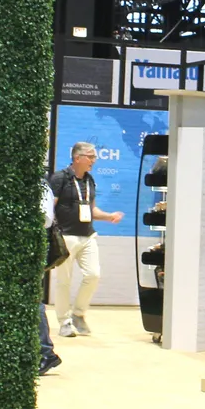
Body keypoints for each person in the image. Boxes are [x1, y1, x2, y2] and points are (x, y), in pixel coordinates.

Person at [49, 141, 123, 336]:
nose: (93, 160)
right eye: (90, 156)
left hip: (88, 236)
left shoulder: (89, 180)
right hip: (65, 236)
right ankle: (64, 322)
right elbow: (50, 208)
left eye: (94, 156)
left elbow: (90, 210)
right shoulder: (59, 178)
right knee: (64, 281)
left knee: (93, 275)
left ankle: (78, 314)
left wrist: (108, 216)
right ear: (77, 158)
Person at [38, 179, 62, 375]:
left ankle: (46, 352)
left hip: (32, 250)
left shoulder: (41, 185)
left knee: (33, 301)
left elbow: (45, 219)